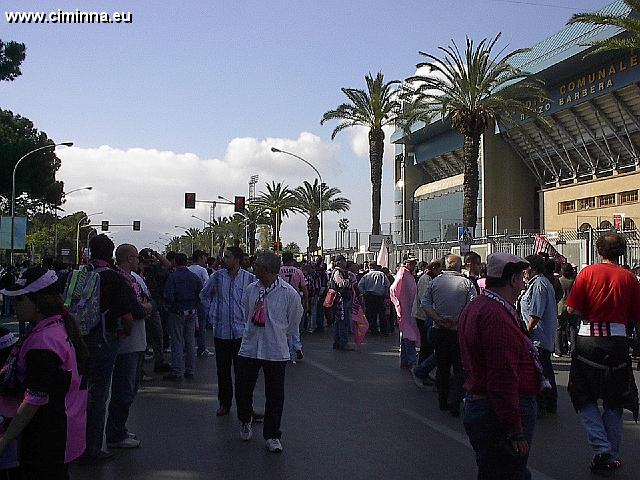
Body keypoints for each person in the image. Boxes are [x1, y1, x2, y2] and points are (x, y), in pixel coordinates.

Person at [459, 253, 543, 480]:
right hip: (495, 410)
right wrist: (514, 428)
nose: (524, 283)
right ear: (513, 280)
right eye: (522, 278)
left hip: (485, 404)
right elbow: (502, 375)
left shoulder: (481, 305)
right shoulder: (495, 314)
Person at [0, 267, 88, 478]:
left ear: (37, 304)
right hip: (63, 430)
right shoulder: (58, 327)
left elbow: (34, 399)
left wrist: (5, 441)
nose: (15, 305)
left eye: (20, 299)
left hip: (46, 437)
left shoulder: (44, 342)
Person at [566, 233, 640, 475]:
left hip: (588, 339)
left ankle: (601, 446)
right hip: (618, 342)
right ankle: (611, 453)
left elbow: (571, 307)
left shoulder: (587, 273)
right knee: (614, 400)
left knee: (583, 395)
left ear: (599, 250)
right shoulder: (629, 278)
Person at [79, 234, 144, 465]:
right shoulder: (113, 279)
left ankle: (76, 443)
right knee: (99, 395)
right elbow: (131, 312)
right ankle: (93, 448)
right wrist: (125, 331)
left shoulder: (81, 273)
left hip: (80, 341)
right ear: (111, 253)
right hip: (104, 340)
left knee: (81, 393)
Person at [236, 251, 303, 453]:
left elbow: (293, 322)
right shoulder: (251, 290)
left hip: (275, 349)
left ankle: (272, 435)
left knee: (275, 395)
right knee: (242, 389)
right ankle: (245, 419)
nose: (254, 269)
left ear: (268, 270)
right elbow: (246, 311)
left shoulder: (288, 293)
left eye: (257, 267)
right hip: (250, 347)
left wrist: (280, 335)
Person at [105, 244, 152, 449]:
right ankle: (115, 434)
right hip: (127, 341)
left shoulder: (133, 279)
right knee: (124, 389)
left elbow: (148, 302)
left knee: (130, 387)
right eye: (135, 256)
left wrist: (145, 306)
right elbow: (138, 310)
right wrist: (144, 308)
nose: (138, 260)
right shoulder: (121, 280)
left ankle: (119, 429)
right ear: (128, 258)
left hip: (136, 341)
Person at [200, 247, 255, 416]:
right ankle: (224, 403)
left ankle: (246, 408)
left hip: (241, 333)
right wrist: (212, 313)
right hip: (222, 333)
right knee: (223, 371)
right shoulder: (217, 277)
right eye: (224, 257)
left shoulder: (249, 279)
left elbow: (257, 300)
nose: (224, 260)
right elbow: (204, 295)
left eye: (228, 257)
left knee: (243, 373)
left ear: (237, 259)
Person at [422, 254, 476, 416]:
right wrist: (456, 319)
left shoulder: (435, 282)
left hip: (440, 331)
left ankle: (443, 400)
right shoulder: (467, 283)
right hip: (458, 332)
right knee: (459, 369)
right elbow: (472, 306)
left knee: (443, 367)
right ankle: (455, 401)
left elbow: (424, 303)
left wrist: (438, 319)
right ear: (459, 266)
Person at [520, 255, 558, 418]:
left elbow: (536, 314)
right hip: (538, 337)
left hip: (538, 338)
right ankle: (547, 402)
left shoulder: (539, 285)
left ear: (533, 269)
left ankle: (545, 403)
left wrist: (526, 332)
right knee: (542, 370)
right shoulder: (536, 284)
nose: (524, 273)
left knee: (541, 371)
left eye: (526, 269)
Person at [163, 253, 203, 381]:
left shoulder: (173, 277)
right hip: (191, 312)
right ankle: (190, 369)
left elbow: (168, 295)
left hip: (177, 312)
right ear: (186, 262)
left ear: (175, 262)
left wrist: (168, 307)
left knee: (177, 341)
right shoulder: (194, 277)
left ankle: (177, 370)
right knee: (190, 341)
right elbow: (200, 293)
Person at [390, 255, 419, 368]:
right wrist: (398, 304)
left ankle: (405, 360)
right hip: (405, 309)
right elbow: (393, 289)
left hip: (410, 309)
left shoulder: (409, 274)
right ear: (405, 263)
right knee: (409, 334)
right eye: (411, 263)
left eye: (414, 263)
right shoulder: (402, 273)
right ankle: (411, 360)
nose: (413, 265)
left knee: (406, 334)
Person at [278, 251, 309, 361]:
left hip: (282, 299)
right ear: (292, 260)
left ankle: (289, 350)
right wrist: (306, 301)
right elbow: (304, 288)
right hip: (295, 298)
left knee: (284, 325)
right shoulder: (298, 271)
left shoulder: (279, 271)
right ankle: (297, 346)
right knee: (295, 323)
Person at [188, 250, 213, 357]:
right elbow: (208, 285)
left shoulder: (188, 269)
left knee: (189, 327)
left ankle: (188, 349)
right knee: (201, 325)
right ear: (200, 258)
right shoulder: (202, 270)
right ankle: (201, 348)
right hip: (201, 302)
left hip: (190, 302)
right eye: (204, 257)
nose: (206, 260)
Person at [329, 256, 354, 351]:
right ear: (339, 262)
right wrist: (348, 280)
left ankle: (338, 342)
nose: (345, 263)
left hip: (341, 298)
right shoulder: (337, 272)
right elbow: (340, 284)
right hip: (340, 299)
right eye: (344, 261)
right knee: (342, 321)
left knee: (339, 321)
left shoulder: (341, 272)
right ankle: (343, 342)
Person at [358, 263, 390, 336]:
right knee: (382, 314)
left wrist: (364, 293)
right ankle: (384, 331)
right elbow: (387, 284)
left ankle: (373, 330)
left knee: (371, 314)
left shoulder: (366, 276)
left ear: (369, 267)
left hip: (370, 296)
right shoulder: (381, 274)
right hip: (380, 296)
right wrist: (385, 293)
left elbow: (360, 285)